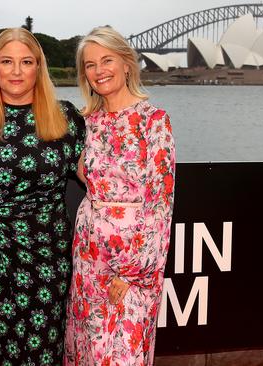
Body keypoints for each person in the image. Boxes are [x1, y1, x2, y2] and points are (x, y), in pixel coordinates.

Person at [0, 27, 86, 365]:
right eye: (7, 61)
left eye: (26, 61)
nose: (16, 71)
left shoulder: (67, 118)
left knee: (39, 351)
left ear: (38, 68)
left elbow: (99, 179)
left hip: (45, 260)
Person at [64, 26, 175, 365]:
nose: (99, 71)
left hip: (132, 265)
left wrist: (131, 272)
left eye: (107, 60)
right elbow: (32, 124)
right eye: (90, 64)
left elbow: (160, 203)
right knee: (89, 351)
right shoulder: (84, 123)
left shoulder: (154, 121)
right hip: (88, 258)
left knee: (122, 354)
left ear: (127, 64)